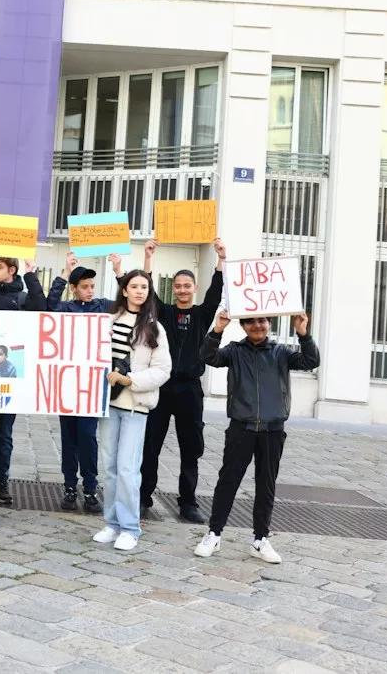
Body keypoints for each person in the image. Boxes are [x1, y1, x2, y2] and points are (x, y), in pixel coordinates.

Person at [195, 310, 320, 564]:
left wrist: (303, 333)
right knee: (227, 482)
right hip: (241, 427)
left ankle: (260, 539)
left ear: (269, 323)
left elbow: (310, 361)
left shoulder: (281, 352)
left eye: (261, 320)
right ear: (243, 325)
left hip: (273, 430)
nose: (257, 325)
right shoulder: (234, 351)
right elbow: (207, 356)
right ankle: (214, 533)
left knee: (266, 485)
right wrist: (217, 329)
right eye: (250, 321)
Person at [139, 238, 226, 523]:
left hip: (190, 389)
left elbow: (216, 294)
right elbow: (148, 294)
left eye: (187, 286)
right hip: (162, 388)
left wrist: (221, 260)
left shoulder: (202, 314)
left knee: (191, 447)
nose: (182, 290)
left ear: (194, 288)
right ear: (173, 289)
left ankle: (187, 502)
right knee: (151, 444)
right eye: (178, 286)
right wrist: (148, 258)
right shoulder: (163, 313)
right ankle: (143, 497)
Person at [94, 270, 170, 551]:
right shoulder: (108, 322)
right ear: (124, 290)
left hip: (135, 405)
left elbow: (163, 369)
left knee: (128, 468)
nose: (139, 291)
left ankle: (130, 527)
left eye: (144, 287)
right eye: (134, 286)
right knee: (111, 467)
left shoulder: (154, 328)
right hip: (107, 404)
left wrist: (131, 381)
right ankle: (112, 523)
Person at [46, 251, 124, 513]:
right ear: (74, 289)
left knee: (88, 437)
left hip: (91, 386)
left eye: (92, 286)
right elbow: (49, 306)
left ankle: (90, 488)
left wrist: (118, 270)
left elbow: (128, 301)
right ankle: (70, 486)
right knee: (68, 438)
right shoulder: (66, 308)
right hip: (67, 384)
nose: (90, 291)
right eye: (85, 287)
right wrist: (65, 271)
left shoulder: (102, 305)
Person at [0, 242, 48, 507]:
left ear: (12, 270)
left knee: (5, 434)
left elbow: (41, 307)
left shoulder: (22, 298)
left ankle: (0, 480)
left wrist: (32, 275)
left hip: (11, 377)